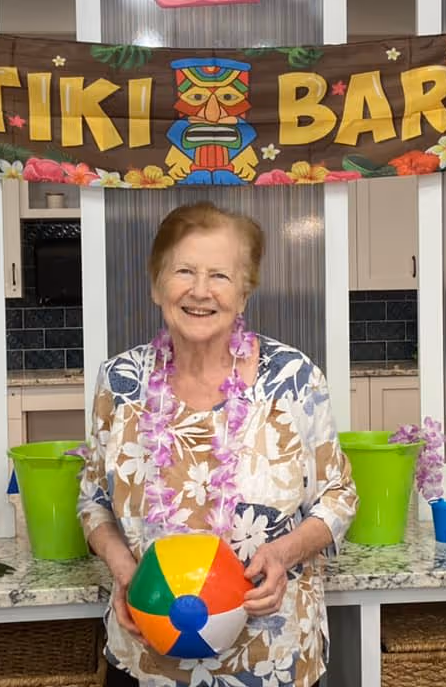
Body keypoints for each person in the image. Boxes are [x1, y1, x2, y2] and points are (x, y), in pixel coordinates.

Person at [78, 201, 358, 687]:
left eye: (221, 276)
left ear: (244, 294)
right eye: (184, 271)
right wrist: (124, 570)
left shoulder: (292, 379)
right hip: (148, 662)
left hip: (273, 661)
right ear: (156, 285)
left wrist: (284, 553)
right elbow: (93, 501)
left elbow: (339, 496)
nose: (200, 291)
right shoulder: (120, 382)